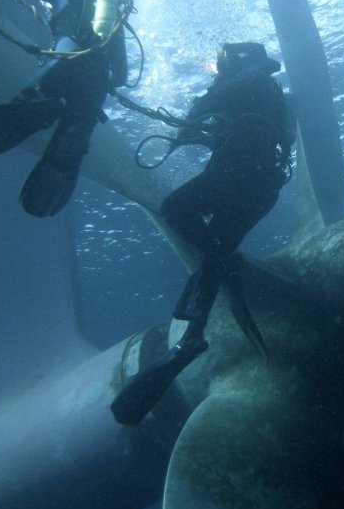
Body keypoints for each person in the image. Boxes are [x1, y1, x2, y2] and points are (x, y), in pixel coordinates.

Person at [111, 42, 292, 426]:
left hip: (237, 174)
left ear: (235, 63)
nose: (215, 69)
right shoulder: (273, 92)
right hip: (264, 189)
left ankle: (220, 274)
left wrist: (187, 128)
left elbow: (193, 120)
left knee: (177, 209)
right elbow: (271, 136)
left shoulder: (240, 81)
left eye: (219, 64)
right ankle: (192, 336)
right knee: (213, 256)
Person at [0, 0, 130, 217]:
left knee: (30, 98)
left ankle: (47, 106)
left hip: (65, 62)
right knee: (74, 139)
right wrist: (98, 80)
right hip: (97, 85)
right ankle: (67, 132)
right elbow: (122, 75)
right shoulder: (114, 19)